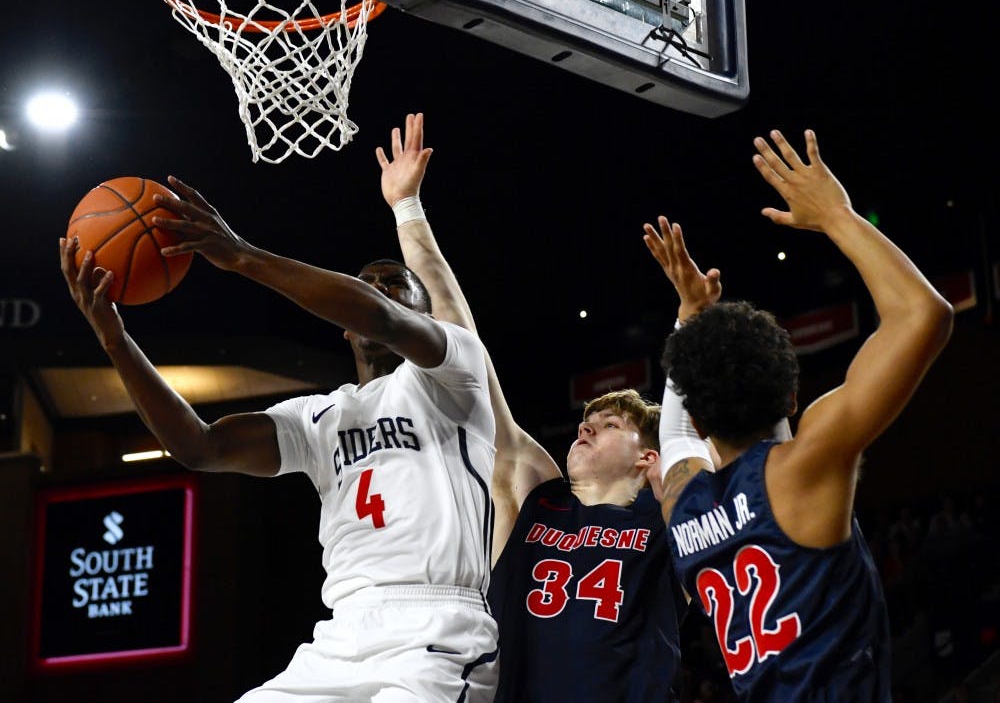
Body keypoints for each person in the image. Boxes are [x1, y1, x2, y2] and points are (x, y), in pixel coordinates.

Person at [59, 167, 499, 701]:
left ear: (424, 315)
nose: (377, 292)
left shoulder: (454, 373)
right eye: (365, 285)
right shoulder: (319, 417)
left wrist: (241, 254)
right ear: (341, 323)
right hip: (342, 634)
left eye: (393, 285)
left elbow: (383, 320)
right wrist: (114, 340)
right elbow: (200, 447)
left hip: (437, 633)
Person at [374, 112, 700, 702]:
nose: (586, 426)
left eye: (610, 424)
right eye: (588, 419)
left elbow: (693, 431)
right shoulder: (535, 495)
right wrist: (407, 209)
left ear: (646, 455)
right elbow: (461, 344)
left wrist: (690, 321)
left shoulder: (668, 517)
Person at [653, 129, 953, 700]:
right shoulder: (805, 466)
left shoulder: (681, 503)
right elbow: (922, 315)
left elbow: (672, 436)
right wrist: (836, 215)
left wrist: (689, 314)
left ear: (698, 416)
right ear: (792, 398)